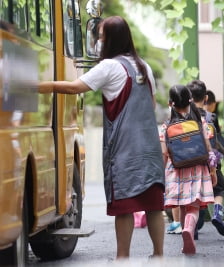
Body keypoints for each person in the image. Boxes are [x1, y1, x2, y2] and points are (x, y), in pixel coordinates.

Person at [39, 16, 165, 260]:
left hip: (125, 152)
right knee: (153, 206)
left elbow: (75, 87)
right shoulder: (144, 67)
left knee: (124, 208)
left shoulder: (109, 67)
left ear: (111, 41)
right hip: (149, 151)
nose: (98, 42)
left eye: (101, 37)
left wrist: (39, 85)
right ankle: (159, 255)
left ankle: (122, 257)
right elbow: (150, 104)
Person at [160, 84, 217, 254]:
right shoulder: (200, 122)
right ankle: (189, 230)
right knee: (193, 206)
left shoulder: (166, 126)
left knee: (183, 205)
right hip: (197, 167)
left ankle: (186, 233)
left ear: (171, 103)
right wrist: (212, 171)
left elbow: (164, 153)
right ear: (190, 101)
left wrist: (161, 176)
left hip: (176, 169)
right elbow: (207, 146)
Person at [187, 80, 224, 237]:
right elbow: (216, 137)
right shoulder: (211, 117)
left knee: (195, 192)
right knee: (219, 188)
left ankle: (194, 225)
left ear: (189, 99)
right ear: (205, 98)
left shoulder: (186, 119)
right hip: (211, 161)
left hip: (192, 162)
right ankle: (217, 213)